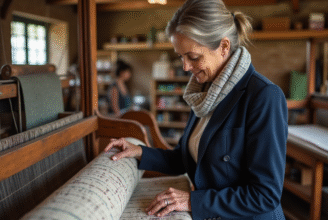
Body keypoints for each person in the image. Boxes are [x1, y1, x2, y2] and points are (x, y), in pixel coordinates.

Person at [104, 0, 288, 219]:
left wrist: (193, 200)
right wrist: (140, 152)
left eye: (193, 57)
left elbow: (265, 195)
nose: (185, 67)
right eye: (181, 57)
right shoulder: (203, 92)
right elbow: (185, 158)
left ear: (224, 47)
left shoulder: (264, 96)